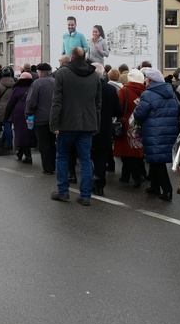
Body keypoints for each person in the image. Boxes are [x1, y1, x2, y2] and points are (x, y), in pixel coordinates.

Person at [49, 47, 101, 206]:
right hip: (87, 124)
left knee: (62, 156)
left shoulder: (62, 73)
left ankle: (63, 192)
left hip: (66, 123)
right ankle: (85, 196)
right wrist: (96, 124)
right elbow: (98, 104)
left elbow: (57, 101)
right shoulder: (94, 75)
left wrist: (54, 124)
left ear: (71, 57)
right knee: (85, 159)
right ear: (85, 57)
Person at [134, 68, 180, 201]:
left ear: (150, 80)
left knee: (158, 162)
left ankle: (167, 190)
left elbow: (139, 114)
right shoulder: (170, 92)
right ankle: (154, 187)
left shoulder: (148, 94)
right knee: (155, 160)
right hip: (168, 130)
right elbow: (179, 108)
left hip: (153, 131)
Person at [114, 69, 147, 188]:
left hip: (127, 123)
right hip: (140, 123)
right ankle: (126, 175)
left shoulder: (125, 90)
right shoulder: (145, 91)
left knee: (126, 152)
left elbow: (119, 107)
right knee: (135, 150)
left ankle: (135, 176)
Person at [92, 63, 121, 196]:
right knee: (101, 158)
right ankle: (99, 184)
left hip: (88, 127)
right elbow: (117, 110)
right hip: (104, 128)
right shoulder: (110, 89)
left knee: (86, 157)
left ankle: (89, 182)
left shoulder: (86, 88)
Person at [25, 63, 56, 175]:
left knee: (44, 144)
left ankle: (48, 168)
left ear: (39, 72)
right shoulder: (56, 82)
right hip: (56, 119)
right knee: (53, 143)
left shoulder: (37, 83)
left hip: (41, 119)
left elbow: (30, 102)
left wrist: (28, 114)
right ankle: (54, 165)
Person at [4, 72, 37, 163]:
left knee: (21, 133)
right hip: (32, 112)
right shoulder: (33, 88)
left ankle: (27, 156)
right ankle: (21, 153)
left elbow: (10, 103)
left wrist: (6, 116)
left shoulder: (17, 89)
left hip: (19, 113)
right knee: (28, 133)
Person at [0, 67, 15, 149]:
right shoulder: (14, 84)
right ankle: (2, 142)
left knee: (6, 124)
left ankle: (10, 144)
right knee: (9, 123)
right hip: (12, 106)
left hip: (2, 107)